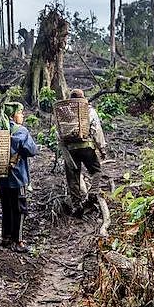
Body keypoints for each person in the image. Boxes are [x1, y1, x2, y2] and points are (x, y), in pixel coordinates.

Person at [0, 101, 39, 252]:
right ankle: (18, 241)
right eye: (20, 112)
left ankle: (5, 237)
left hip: (2, 177)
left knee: (6, 207)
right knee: (20, 209)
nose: (22, 115)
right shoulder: (21, 131)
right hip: (17, 177)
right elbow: (32, 150)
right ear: (13, 115)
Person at [60, 89, 107, 217]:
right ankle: (93, 191)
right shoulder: (89, 111)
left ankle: (76, 205)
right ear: (83, 98)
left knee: (73, 178)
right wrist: (102, 149)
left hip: (70, 149)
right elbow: (96, 130)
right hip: (87, 147)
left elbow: (59, 133)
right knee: (96, 170)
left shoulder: (65, 113)